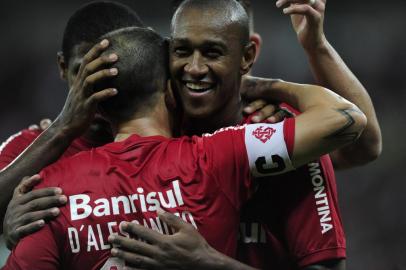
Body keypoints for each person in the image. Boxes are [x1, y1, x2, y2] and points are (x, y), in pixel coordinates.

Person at [3, 21, 366, 269]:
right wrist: (270, 86)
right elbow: (345, 118)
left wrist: (9, 229)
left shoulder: (46, 192)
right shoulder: (215, 155)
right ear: (168, 91)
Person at [107, 0, 381, 269]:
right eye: (183, 50)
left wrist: (208, 262)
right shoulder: (147, 128)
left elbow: (361, 142)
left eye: (212, 52)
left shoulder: (282, 138)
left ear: (248, 56)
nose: (195, 67)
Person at [0, 0, 145, 249]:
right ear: (63, 67)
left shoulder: (176, 134)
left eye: (112, 70)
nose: (97, 87)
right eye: (85, 71)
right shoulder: (27, 147)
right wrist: (62, 129)